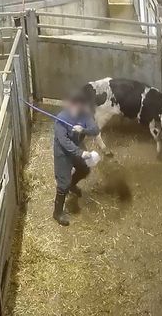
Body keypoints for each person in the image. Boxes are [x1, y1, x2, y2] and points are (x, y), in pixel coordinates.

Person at [53, 91, 100, 226]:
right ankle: (57, 213)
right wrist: (80, 152)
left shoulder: (84, 115)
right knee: (63, 183)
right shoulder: (61, 119)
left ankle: (72, 185)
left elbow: (95, 130)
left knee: (84, 169)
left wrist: (83, 130)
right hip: (63, 153)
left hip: (77, 148)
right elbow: (64, 142)